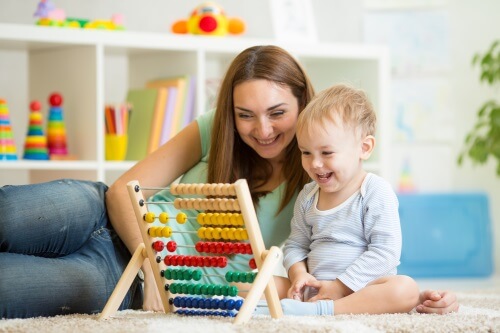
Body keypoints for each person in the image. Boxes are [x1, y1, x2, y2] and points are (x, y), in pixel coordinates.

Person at [0, 45, 458, 319]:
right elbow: (125, 191)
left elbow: (369, 244)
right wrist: (152, 268)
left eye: (278, 113)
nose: (262, 130)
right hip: (106, 217)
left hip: (121, 282)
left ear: (305, 103)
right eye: (245, 115)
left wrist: (428, 296)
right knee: (11, 215)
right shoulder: (209, 130)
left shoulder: (323, 176)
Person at [257, 84, 418, 316]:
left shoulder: (375, 192)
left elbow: (385, 253)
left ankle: (325, 310)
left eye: (327, 153)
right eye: (306, 152)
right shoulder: (308, 196)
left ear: (364, 148)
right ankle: (306, 305)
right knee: (247, 285)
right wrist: (299, 275)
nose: (315, 164)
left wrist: (339, 287)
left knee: (406, 290)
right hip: (313, 288)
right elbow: (295, 245)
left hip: (360, 291)